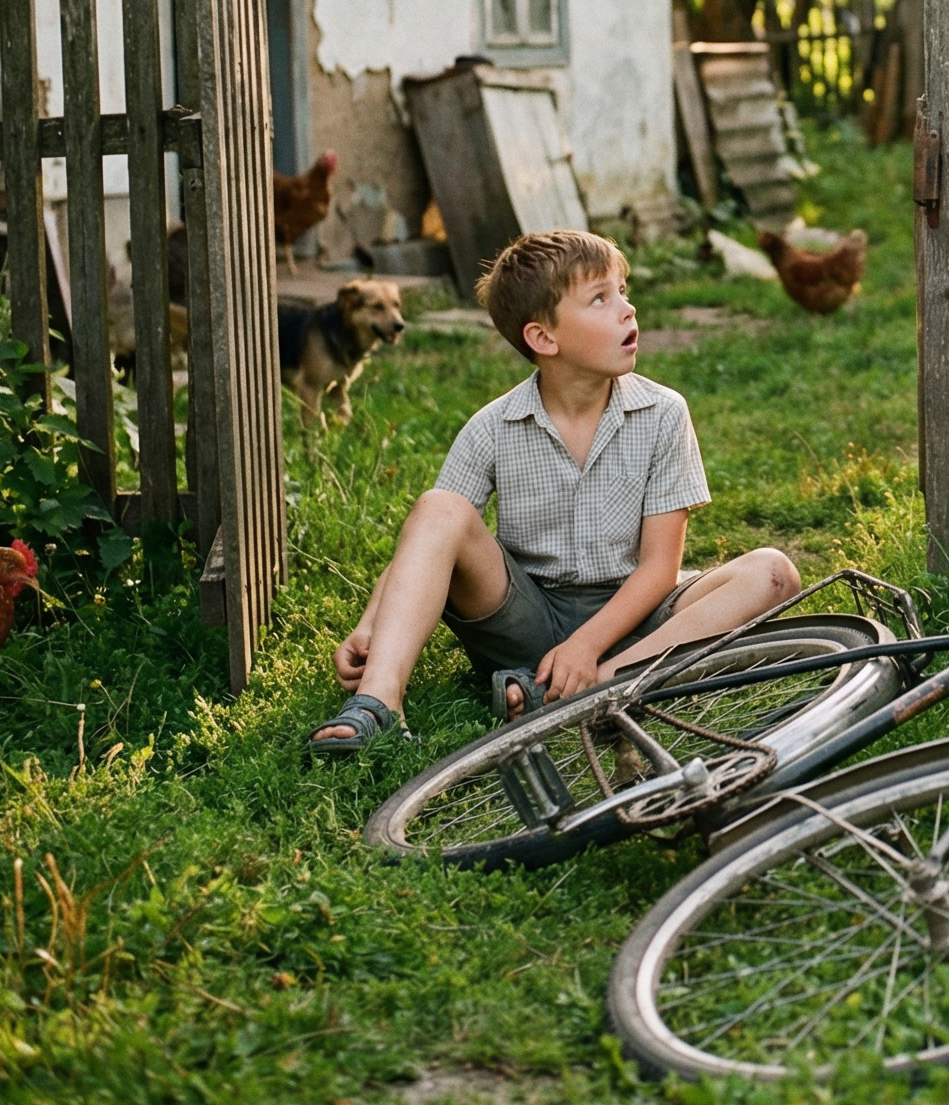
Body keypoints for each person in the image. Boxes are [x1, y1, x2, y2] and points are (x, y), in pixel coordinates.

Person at [309, 228, 799, 754]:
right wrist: (370, 626)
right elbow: (428, 540)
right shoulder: (492, 426)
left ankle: (593, 686)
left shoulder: (663, 414)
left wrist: (588, 648)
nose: (628, 310)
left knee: (773, 572)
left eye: (623, 291)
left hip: (637, 617)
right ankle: (380, 702)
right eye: (600, 299)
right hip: (527, 616)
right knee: (438, 506)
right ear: (544, 338)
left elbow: (659, 569)